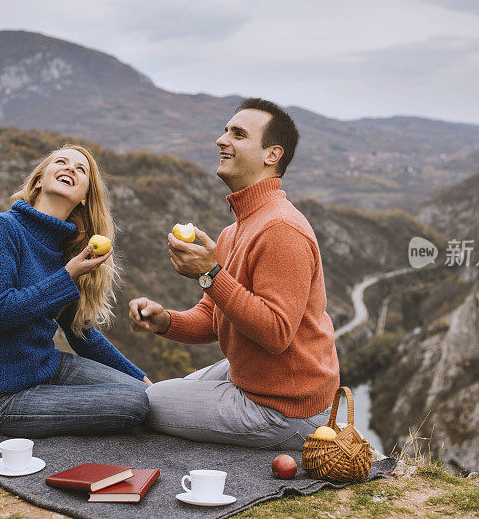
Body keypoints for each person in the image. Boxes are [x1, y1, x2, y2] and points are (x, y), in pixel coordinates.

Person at [129, 98, 340, 450]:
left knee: (144, 403)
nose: (221, 140)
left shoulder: (281, 229)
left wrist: (210, 273)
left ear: (271, 155)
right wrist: (164, 320)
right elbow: (214, 317)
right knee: (156, 393)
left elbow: (276, 334)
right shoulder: (233, 231)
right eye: (225, 130)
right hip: (252, 381)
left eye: (238, 134)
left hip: (285, 410)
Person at [0, 144, 151, 438]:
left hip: (48, 369)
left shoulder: (66, 251)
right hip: (2, 397)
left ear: (85, 197)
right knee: (134, 403)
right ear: (39, 181)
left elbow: (82, 334)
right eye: (61, 162)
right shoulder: (1, 229)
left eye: (80, 169)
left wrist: (141, 377)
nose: (69, 169)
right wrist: (67, 276)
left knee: (146, 393)